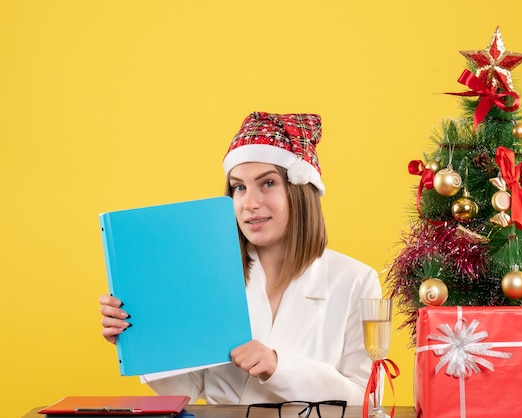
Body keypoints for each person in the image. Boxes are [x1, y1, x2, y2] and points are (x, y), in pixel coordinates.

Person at [99, 112, 382, 405]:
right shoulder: (208, 274)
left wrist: (279, 366)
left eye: (268, 183)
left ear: (300, 189)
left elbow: (369, 399)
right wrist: (140, 339)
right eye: (239, 187)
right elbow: (186, 389)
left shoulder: (356, 281)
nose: (250, 203)